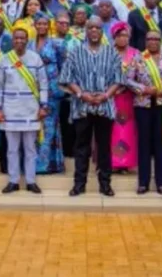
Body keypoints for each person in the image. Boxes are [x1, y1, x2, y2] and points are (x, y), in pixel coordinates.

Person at [60, 16, 123, 197]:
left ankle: (105, 184)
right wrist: (82, 94)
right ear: (86, 31)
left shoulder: (111, 53)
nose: (94, 31)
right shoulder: (75, 52)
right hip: (82, 106)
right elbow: (67, 78)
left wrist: (105, 96)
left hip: (105, 106)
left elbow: (118, 80)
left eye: (97, 28)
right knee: (81, 147)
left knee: (104, 147)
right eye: (91, 28)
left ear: (102, 32)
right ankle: (79, 184)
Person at [125, 30, 162, 195]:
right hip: (143, 105)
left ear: (161, 41)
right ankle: (143, 182)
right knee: (144, 144)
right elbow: (127, 79)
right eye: (150, 39)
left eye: (156, 39)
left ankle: (161, 182)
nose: (153, 42)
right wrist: (144, 89)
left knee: (160, 144)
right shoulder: (138, 58)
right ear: (145, 41)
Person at [0, 27, 48, 194]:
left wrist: (43, 106)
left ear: (27, 40)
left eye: (22, 38)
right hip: (10, 110)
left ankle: (31, 181)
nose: (19, 41)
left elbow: (43, 84)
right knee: (12, 149)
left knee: (30, 148)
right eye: (16, 38)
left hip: (31, 109)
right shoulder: (4, 60)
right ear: (12, 40)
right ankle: (13, 181)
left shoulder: (35, 58)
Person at [31, 15, 65, 174]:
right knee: (34, 125)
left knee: (50, 125)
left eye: (45, 23)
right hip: (32, 89)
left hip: (52, 89)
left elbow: (63, 65)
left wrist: (61, 86)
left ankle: (47, 164)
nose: (42, 26)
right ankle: (33, 161)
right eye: (39, 23)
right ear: (35, 25)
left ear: (49, 25)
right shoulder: (29, 44)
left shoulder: (57, 44)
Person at [107, 22, 139, 172]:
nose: (122, 38)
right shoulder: (107, 53)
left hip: (129, 98)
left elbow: (141, 75)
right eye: (119, 35)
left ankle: (125, 162)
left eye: (125, 35)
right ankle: (112, 161)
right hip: (111, 97)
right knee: (112, 129)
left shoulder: (136, 53)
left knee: (127, 130)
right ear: (114, 37)